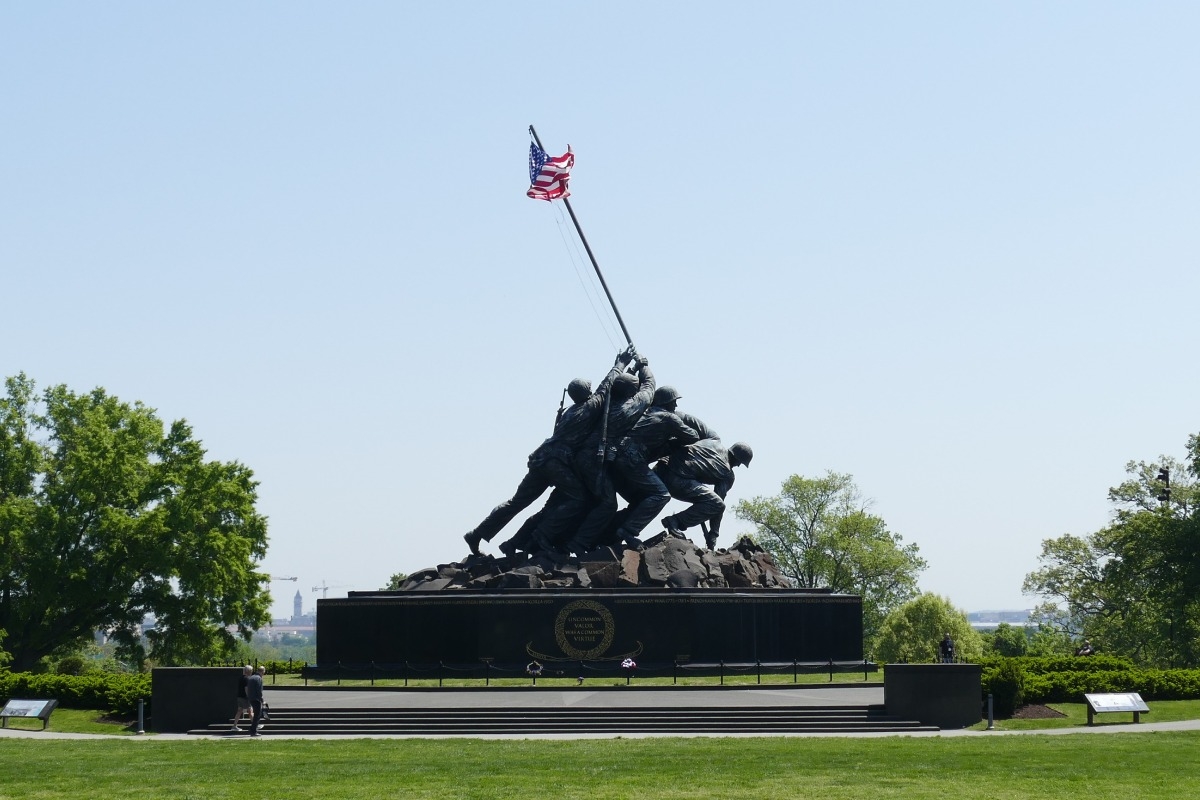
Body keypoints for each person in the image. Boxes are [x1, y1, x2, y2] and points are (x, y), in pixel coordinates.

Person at [463, 346, 635, 556]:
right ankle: (542, 536)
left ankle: (477, 533)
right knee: (578, 498)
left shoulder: (569, 411)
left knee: (517, 502)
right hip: (557, 461)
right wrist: (620, 363)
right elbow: (606, 386)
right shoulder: (588, 408)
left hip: (542, 457)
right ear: (587, 393)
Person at [656, 440, 753, 550]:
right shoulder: (727, 474)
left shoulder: (713, 443)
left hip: (661, 467)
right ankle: (675, 521)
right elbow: (717, 504)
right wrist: (713, 534)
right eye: (740, 462)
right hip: (676, 479)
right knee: (717, 504)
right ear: (737, 459)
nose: (739, 465)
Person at [231, 664, 252, 731]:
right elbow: (246, 689)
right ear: (248, 671)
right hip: (245, 698)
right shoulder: (247, 678)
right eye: (251, 671)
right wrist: (249, 697)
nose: (251, 672)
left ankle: (234, 726)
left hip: (239, 697)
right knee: (250, 711)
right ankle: (255, 725)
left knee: (239, 711)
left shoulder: (241, 678)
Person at [247, 662, 265, 737]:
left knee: (257, 714)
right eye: (264, 672)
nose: (264, 673)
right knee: (257, 715)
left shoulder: (251, 677)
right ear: (262, 671)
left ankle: (252, 728)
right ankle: (253, 731)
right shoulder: (259, 678)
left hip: (251, 698)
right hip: (256, 699)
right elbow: (259, 690)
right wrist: (262, 699)